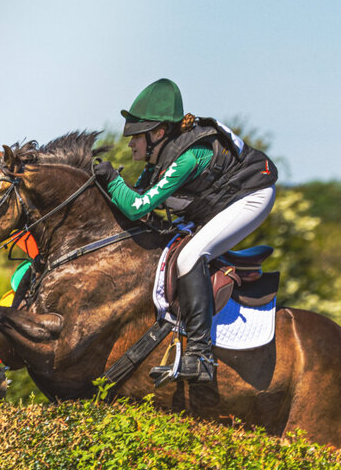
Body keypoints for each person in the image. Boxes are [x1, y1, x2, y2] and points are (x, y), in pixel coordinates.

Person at [92, 78, 278, 383]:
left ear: (158, 133)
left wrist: (113, 180)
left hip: (253, 196)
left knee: (190, 256)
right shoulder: (161, 157)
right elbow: (140, 204)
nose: (130, 144)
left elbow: (138, 206)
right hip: (222, 201)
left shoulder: (188, 157)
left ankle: (201, 355)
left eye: (136, 137)